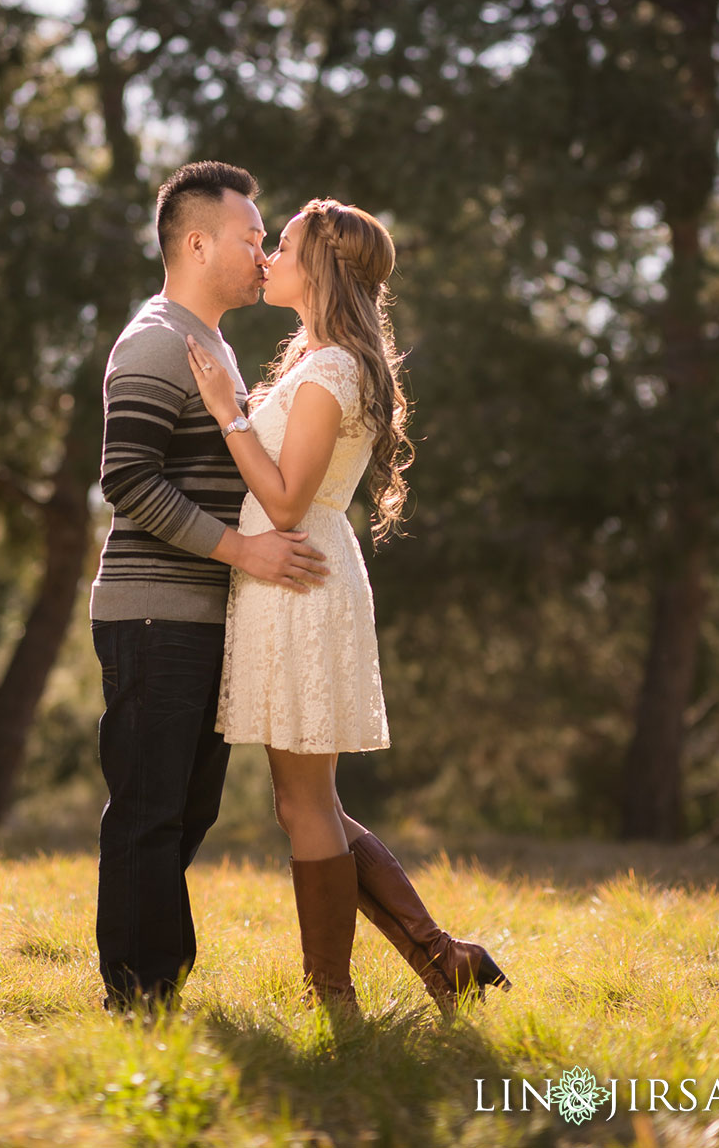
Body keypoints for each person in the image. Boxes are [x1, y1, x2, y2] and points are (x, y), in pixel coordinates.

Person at [188, 196, 511, 1015]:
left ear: (321, 265)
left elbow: (289, 501)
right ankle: (446, 961)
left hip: (298, 573)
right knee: (307, 801)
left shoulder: (332, 368)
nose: (269, 258)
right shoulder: (318, 358)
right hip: (290, 576)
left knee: (304, 803)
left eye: (283, 245)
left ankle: (332, 990)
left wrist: (228, 410)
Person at [89, 161, 330, 1013]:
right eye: (250, 236)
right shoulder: (157, 340)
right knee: (151, 809)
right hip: (152, 612)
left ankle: (155, 978)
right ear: (196, 242)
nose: (264, 252)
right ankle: (140, 995)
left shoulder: (213, 344)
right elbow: (127, 483)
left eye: (267, 239)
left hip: (201, 615)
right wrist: (246, 554)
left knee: (185, 810)